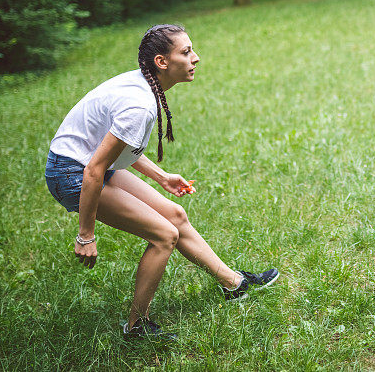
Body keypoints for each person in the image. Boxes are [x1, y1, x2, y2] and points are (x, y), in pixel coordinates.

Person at [44, 24, 278, 339]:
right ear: (161, 62)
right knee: (164, 236)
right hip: (72, 173)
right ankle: (136, 326)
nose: (196, 58)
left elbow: (115, 145)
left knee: (176, 215)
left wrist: (162, 176)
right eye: (186, 52)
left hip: (87, 163)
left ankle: (233, 284)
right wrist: (86, 235)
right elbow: (94, 170)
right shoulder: (140, 105)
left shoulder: (144, 87)